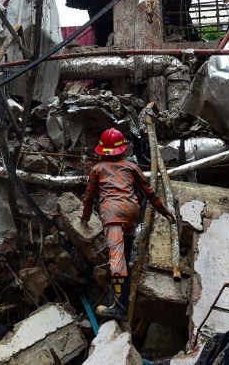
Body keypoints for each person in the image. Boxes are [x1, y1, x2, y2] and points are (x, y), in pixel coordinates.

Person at [80, 128, 176, 320]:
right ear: (122, 150)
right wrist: (166, 212)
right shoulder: (131, 166)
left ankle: (120, 308)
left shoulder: (97, 169)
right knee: (125, 255)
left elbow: (89, 197)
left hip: (112, 214)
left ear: (102, 151)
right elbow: (149, 192)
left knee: (116, 262)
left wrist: (85, 217)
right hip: (131, 212)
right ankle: (125, 284)